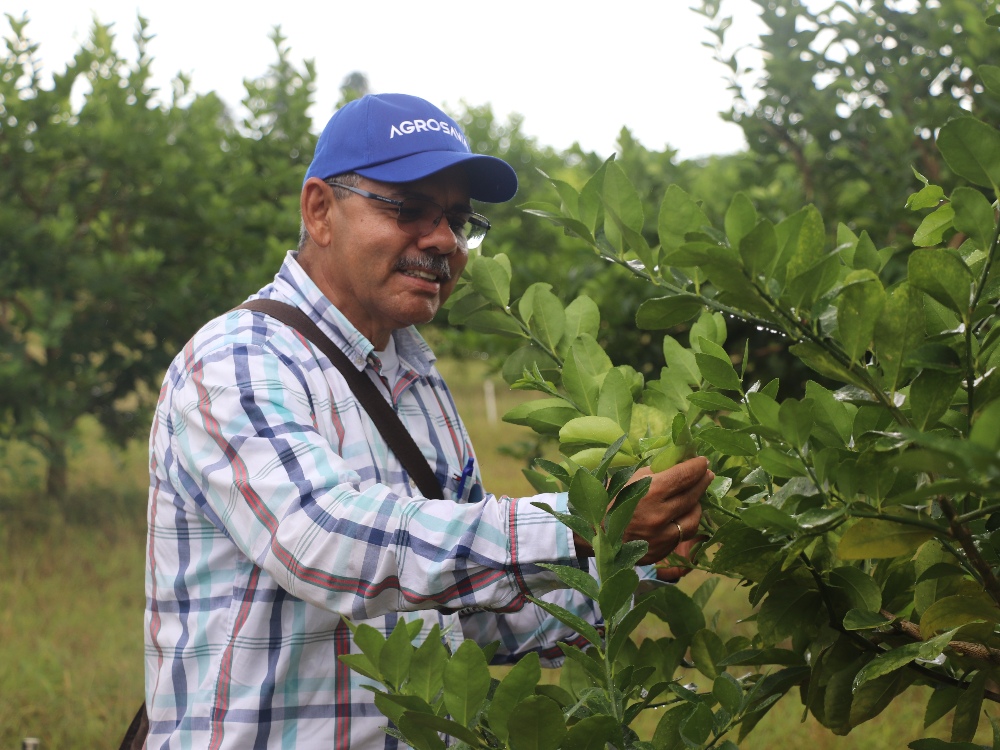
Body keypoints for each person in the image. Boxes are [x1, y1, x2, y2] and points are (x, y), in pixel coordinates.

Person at [144, 92, 712, 748]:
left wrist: (632, 564)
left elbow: (466, 615)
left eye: (457, 218)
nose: (443, 240)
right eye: (409, 208)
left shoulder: (417, 381)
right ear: (320, 211)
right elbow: (326, 540)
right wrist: (580, 526)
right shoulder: (239, 359)